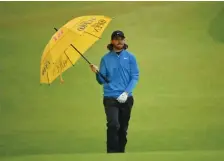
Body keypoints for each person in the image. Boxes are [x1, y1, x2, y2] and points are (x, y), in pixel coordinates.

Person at [90, 30, 139, 153]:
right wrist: (97, 72)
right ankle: (112, 154)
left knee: (123, 128)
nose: (120, 41)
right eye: (117, 39)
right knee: (113, 125)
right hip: (110, 97)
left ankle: (120, 152)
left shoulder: (130, 57)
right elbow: (102, 80)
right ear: (112, 41)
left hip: (127, 98)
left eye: (122, 39)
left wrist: (127, 92)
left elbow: (135, 76)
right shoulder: (106, 59)